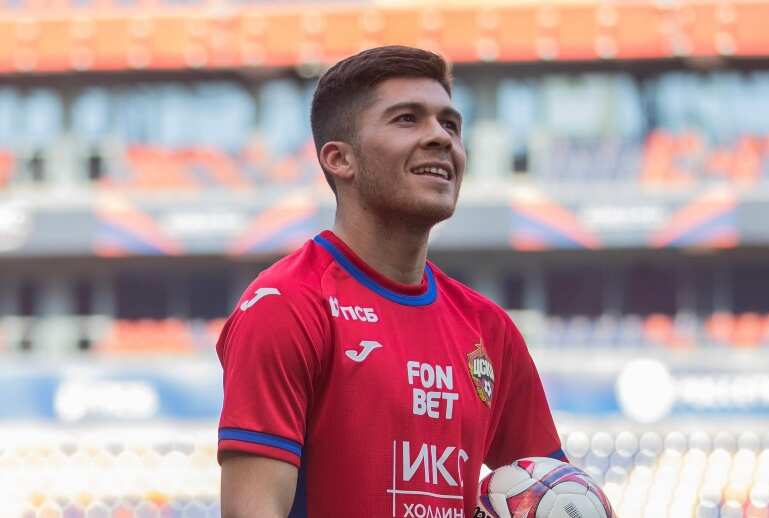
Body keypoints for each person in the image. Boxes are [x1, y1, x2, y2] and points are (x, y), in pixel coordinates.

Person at [217, 45, 565, 518]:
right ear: (340, 160)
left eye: (451, 124)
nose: (440, 138)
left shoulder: (489, 330)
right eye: (407, 119)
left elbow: (549, 491)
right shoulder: (287, 305)